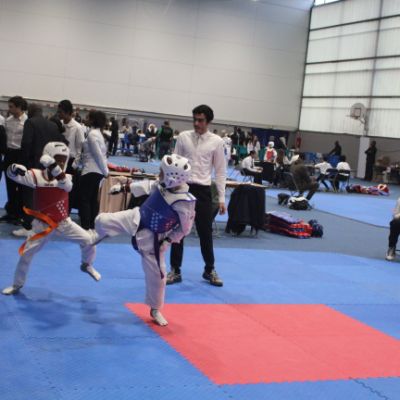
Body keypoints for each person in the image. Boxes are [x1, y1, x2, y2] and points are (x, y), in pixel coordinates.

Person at [94, 154, 196, 326]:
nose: (159, 174)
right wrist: (124, 188)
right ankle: (94, 237)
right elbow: (148, 185)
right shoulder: (163, 184)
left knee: (158, 276)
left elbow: (185, 229)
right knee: (101, 220)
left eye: (162, 172)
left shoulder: (185, 202)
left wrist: (168, 241)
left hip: (154, 239)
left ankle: (155, 309)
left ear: (173, 177)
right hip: (137, 218)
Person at [1, 142, 101, 296]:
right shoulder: (36, 176)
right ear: (48, 157)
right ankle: (17, 285)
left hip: (64, 224)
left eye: (63, 159)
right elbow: (12, 176)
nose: (61, 163)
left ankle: (86, 264)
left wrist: (53, 165)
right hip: (42, 225)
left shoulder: (67, 177)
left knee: (89, 240)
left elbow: (66, 186)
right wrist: (13, 168)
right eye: (57, 159)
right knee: (26, 254)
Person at [167, 104, 226, 287]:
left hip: (203, 191)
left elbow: (220, 171)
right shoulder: (183, 137)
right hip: (183, 188)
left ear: (208, 121)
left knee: (205, 232)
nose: (196, 123)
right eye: (195, 119)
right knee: (178, 231)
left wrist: (222, 198)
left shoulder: (217, 142)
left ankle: (209, 269)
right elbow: (173, 163)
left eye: (200, 120)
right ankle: (175, 270)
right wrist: (170, 187)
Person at [13, 104, 68, 238]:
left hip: (33, 164)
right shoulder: (52, 125)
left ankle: (28, 226)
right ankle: (44, 224)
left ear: (30, 112)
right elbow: (62, 142)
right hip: (49, 166)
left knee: (29, 196)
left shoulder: (30, 122)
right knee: (45, 197)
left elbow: (26, 143)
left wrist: (23, 164)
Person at [79, 110, 109, 230]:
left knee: (85, 199)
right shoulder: (97, 134)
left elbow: (98, 155)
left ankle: (86, 226)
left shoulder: (93, 135)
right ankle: (92, 225)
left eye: (87, 117)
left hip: (91, 171)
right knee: (92, 199)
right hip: (95, 171)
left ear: (92, 120)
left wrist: (106, 172)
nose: (85, 119)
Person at [0, 96, 28, 224]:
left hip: (20, 154)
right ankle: (11, 212)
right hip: (9, 154)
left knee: (20, 186)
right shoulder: (8, 120)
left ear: (19, 107)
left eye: (11, 107)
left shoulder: (27, 121)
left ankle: (20, 214)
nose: (9, 109)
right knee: (10, 185)